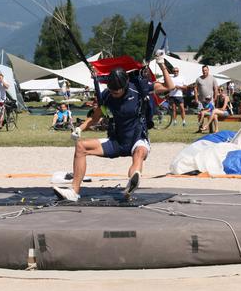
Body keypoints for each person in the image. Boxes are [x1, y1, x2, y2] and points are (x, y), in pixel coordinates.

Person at [53, 63, 174, 201]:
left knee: (139, 153)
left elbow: (169, 87)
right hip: (117, 141)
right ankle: (73, 192)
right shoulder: (107, 95)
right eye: (112, 90)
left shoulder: (139, 88)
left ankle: (132, 183)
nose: (114, 93)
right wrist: (80, 128)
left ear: (125, 85)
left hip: (138, 139)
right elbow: (94, 118)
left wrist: (161, 64)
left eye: (117, 91)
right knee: (81, 146)